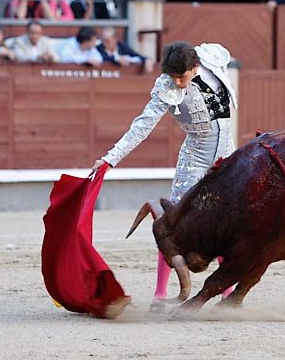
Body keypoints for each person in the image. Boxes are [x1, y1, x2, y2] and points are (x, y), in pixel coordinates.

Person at [91, 41, 237, 312]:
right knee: (172, 228)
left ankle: (228, 294)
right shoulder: (167, 87)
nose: (178, 83)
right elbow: (142, 126)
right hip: (194, 161)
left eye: (181, 77)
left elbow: (224, 55)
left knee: (223, 227)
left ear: (195, 67)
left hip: (226, 161)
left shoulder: (212, 58)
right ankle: (160, 294)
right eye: (173, 77)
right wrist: (111, 158)